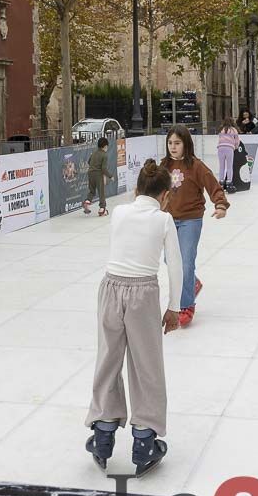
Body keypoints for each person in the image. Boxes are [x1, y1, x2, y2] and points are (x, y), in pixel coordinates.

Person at [85, 159, 182, 476]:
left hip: (110, 288)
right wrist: (174, 307)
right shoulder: (164, 220)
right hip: (143, 294)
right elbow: (176, 267)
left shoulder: (119, 212)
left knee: (108, 359)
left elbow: (132, 216)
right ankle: (144, 440)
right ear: (165, 195)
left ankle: (102, 433)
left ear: (137, 189)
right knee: (146, 365)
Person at [161, 125, 229, 328]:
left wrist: (220, 204)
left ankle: (186, 305)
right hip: (169, 220)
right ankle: (193, 283)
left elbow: (213, 185)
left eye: (177, 143)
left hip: (191, 219)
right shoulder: (164, 165)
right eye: (170, 143)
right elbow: (155, 188)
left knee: (186, 261)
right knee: (169, 259)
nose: (173, 147)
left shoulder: (196, 166)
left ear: (186, 144)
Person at [83, 137, 115, 216]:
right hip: (98, 174)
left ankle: (87, 201)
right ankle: (102, 209)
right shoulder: (104, 155)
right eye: (107, 146)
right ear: (105, 146)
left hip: (90, 173)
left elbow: (89, 162)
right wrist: (110, 176)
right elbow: (103, 168)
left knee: (92, 190)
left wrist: (94, 167)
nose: (107, 148)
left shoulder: (94, 153)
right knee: (101, 192)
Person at [216, 118, 240, 192]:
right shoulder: (233, 130)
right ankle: (229, 182)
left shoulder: (221, 129)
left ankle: (221, 182)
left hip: (220, 148)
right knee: (229, 166)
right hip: (229, 148)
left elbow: (220, 138)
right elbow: (237, 140)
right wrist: (235, 147)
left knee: (221, 166)